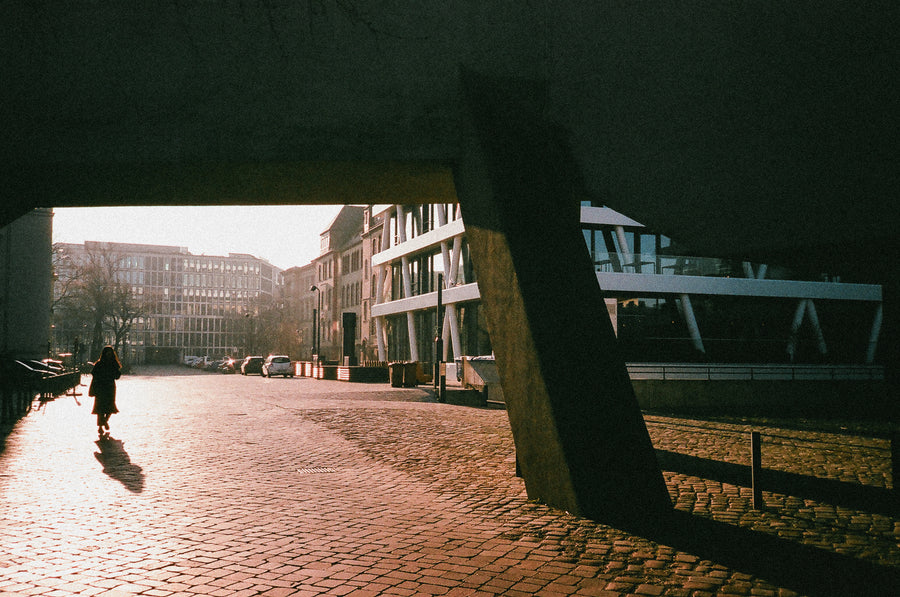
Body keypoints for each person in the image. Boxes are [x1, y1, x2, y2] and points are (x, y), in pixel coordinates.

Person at [89, 346, 121, 437]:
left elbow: (117, 376)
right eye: (107, 353)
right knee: (100, 408)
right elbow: (94, 374)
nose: (109, 355)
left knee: (110, 406)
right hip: (101, 387)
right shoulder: (99, 364)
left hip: (110, 387)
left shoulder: (113, 363)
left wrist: (116, 373)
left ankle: (105, 421)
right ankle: (100, 426)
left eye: (110, 353)